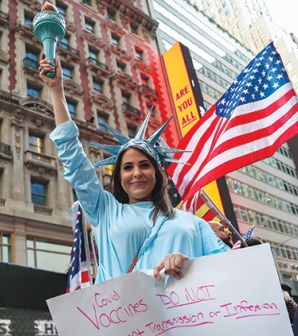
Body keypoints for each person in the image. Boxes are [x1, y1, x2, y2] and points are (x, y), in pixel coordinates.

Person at [39, 56, 229, 284]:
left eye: (145, 165)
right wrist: (57, 92)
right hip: (123, 316)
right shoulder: (105, 210)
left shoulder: (194, 224)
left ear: (159, 175)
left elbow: (227, 271)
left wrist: (190, 264)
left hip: (186, 317)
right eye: (128, 167)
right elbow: (73, 157)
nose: (136, 173)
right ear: (119, 177)